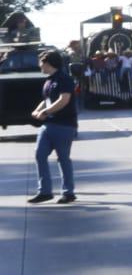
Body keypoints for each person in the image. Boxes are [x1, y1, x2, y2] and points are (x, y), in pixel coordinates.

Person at [29, 49, 78, 204]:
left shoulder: (65, 79)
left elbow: (64, 100)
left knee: (63, 158)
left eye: (41, 62)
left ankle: (68, 192)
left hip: (64, 124)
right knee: (39, 154)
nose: (39, 66)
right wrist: (38, 110)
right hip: (48, 124)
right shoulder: (49, 80)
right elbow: (47, 99)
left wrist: (45, 111)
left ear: (48, 63)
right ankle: (44, 191)